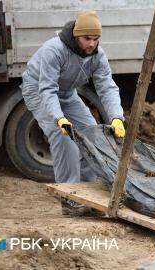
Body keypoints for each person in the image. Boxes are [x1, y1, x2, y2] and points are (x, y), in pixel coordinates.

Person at [21, 10, 126, 215]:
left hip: (67, 94)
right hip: (39, 91)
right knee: (64, 138)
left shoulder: (97, 55)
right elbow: (48, 90)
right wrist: (59, 118)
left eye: (96, 39)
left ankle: (90, 195)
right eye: (87, 38)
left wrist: (116, 117)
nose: (92, 44)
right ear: (77, 35)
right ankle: (70, 198)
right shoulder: (55, 50)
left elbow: (107, 86)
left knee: (91, 135)